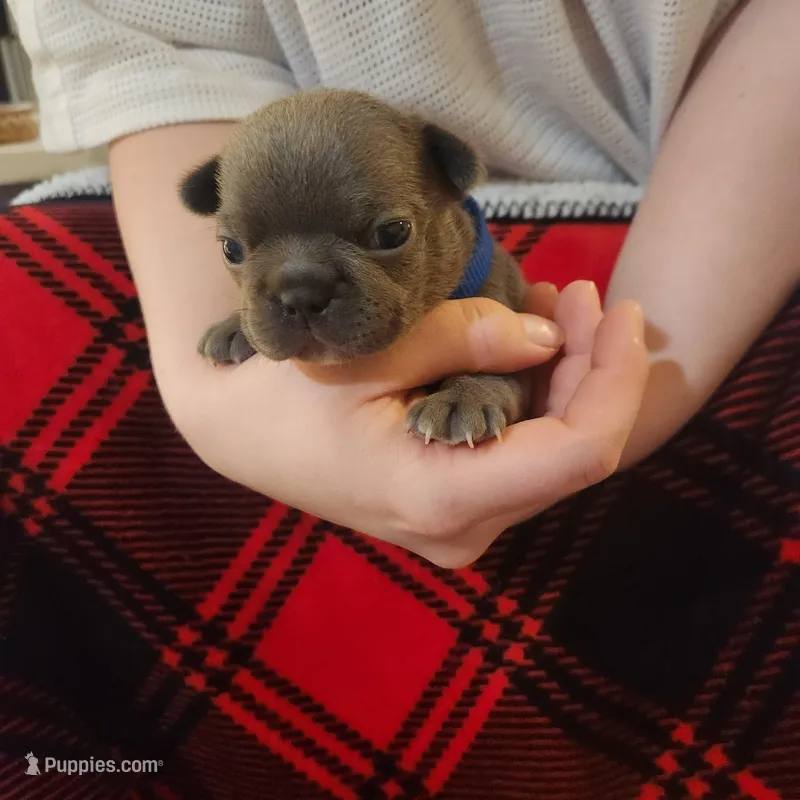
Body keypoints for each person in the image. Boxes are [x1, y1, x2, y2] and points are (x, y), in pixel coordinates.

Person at [10, 0, 799, 567]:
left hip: (730, 255)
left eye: (385, 235)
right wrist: (221, 384)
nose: (298, 290)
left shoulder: (481, 260)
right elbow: (157, 53)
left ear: (450, 184)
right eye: (241, 248)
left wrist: (502, 389)